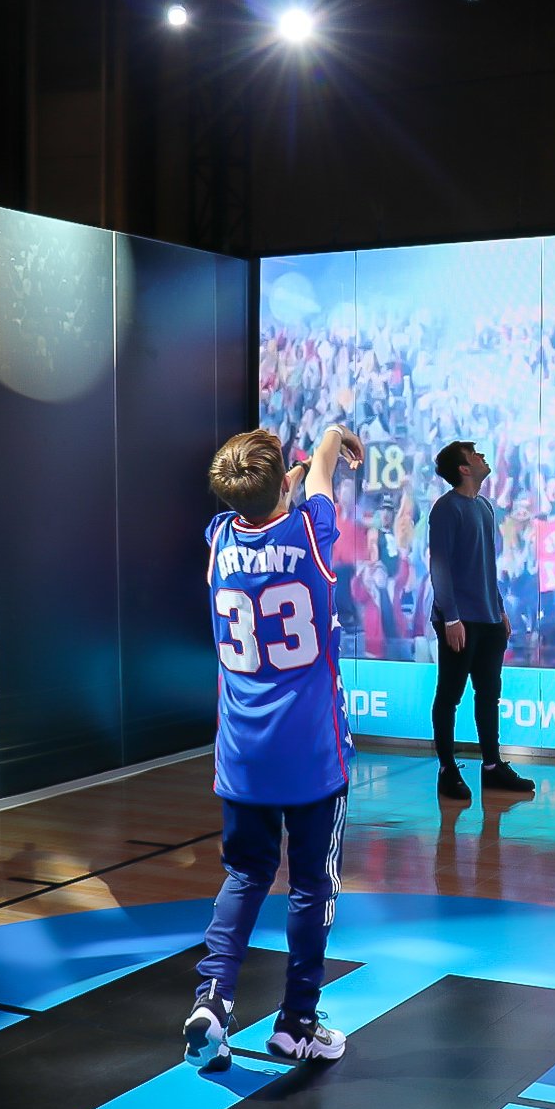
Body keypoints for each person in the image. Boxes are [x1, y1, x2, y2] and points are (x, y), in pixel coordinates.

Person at [183, 423, 363, 1070]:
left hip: (241, 756)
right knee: (312, 884)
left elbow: (270, 494)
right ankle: (295, 1023)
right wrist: (334, 436)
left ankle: (211, 998)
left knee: (244, 873)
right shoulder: (309, 530)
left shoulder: (218, 540)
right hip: (311, 753)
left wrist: (285, 473)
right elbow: (316, 473)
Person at [428, 440, 534, 801]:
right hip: (460, 621)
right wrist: (451, 618)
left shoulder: (486, 508)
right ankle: (447, 770)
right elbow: (440, 566)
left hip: (489, 618)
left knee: (489, 694)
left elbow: (486, 567)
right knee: (450, 694)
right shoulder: (446, 509)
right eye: (475, 454)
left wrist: (500, 608)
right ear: (463, 467)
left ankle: (492, 766)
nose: (483, 457)